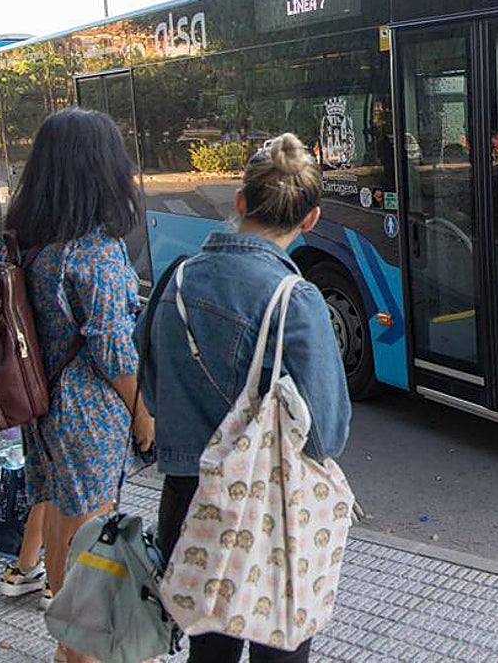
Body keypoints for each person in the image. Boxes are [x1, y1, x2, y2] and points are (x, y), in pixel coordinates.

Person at [139, 132, 351, 663]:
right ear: (311, 219)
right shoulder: (296, 300)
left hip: (188, 505)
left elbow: (151, 387)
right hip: (269, 511)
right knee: (279, 647)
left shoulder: (177, 278)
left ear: (239, 202)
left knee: (207, 654)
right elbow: (327, 433)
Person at [2, 107, 155, 663]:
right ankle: (85, 652)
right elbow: (114, 350)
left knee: (65, 517)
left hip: (42, 407)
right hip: (87, 410)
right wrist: (142, 416)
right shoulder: (95, 251)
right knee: (93, 527)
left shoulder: (29, 243)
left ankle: (70, 647)